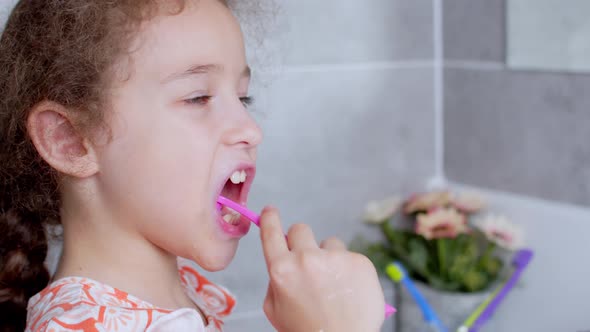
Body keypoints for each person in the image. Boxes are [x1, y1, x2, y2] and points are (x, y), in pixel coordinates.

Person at [0, 1, 386, 331]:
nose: (251, 130)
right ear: (69, 141)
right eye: (198, 98)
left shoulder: (170, 303)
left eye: (243, 99)